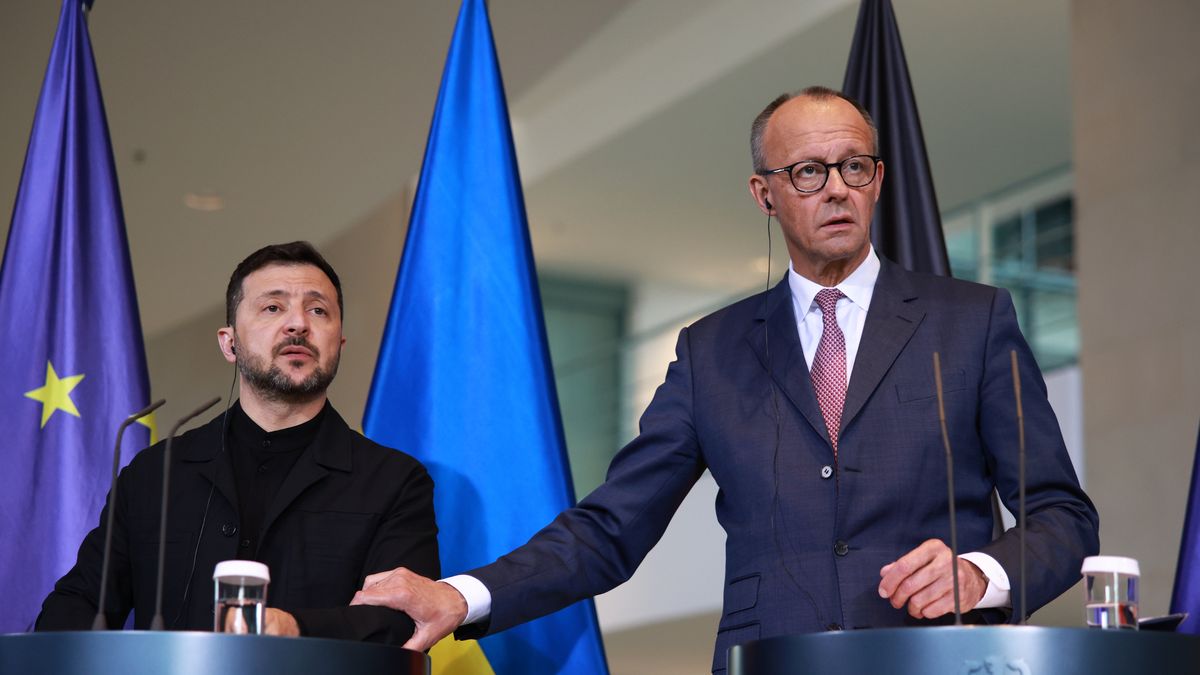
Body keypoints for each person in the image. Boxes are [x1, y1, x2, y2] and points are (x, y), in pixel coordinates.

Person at [352, 87, 1099, 672]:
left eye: (855, 166)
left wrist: (981, 572)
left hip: (937, 659)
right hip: (766, 661)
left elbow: (1063, 516)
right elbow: (612, 526)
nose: (836, 188)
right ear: (763, 192)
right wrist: (461, 593)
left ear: (877, 179)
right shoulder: (710, 351)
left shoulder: (972, 320)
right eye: (809, 171)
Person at [37, 241, 439, 644]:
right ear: (229, 343)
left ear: (339, 345)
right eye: (273, 307)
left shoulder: (395, 482)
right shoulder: (155, 474)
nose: (298, 324)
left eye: (318, 310)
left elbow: (400, 621)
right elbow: (78, 604)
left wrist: (292, 627)